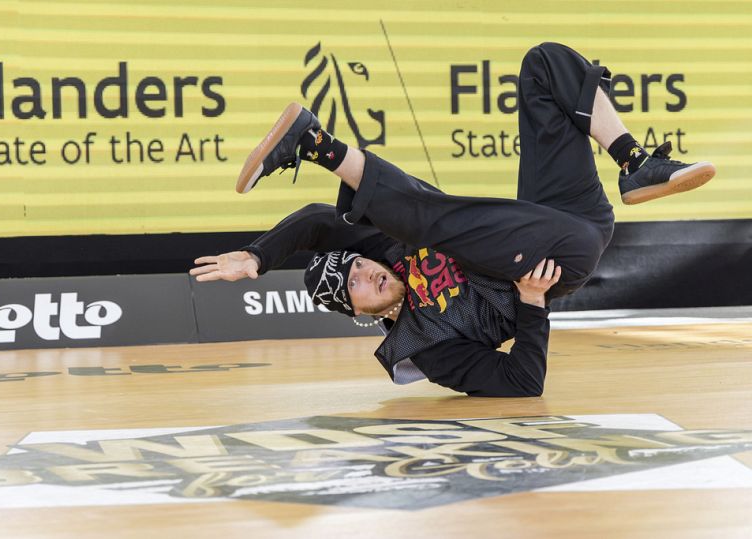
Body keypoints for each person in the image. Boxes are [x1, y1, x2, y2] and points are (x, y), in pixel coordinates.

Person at [190, 42, 715, 397]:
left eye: (356, 266)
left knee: (543, 64)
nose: (366, 274)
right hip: (555, 260)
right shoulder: (427, 348)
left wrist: (257, 256)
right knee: (427, 219)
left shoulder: (388, 251)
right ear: (360, 313)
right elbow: (522, 381)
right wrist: (532, 306)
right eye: (356, 287)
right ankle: (317, 144)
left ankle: (635, 163)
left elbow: (314, 220)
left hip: (562, 215)